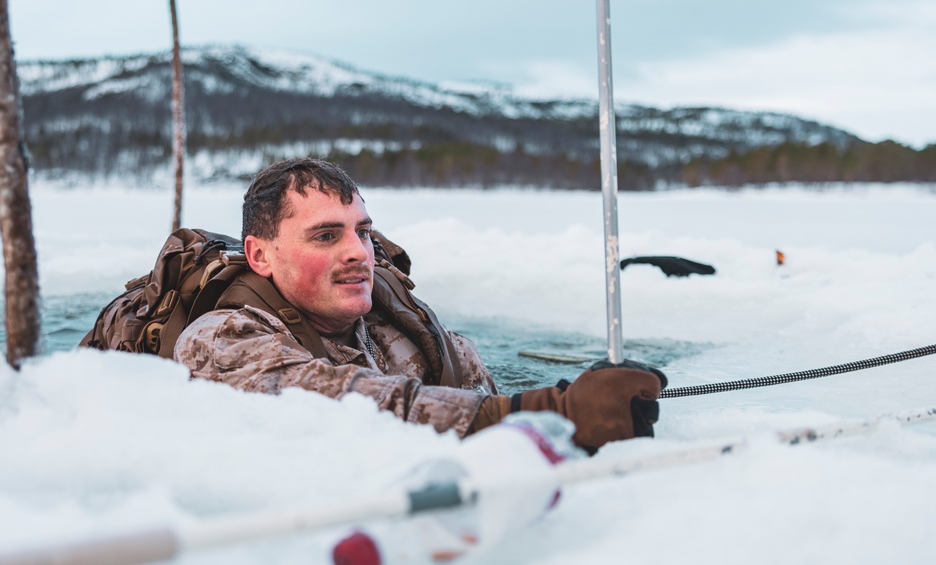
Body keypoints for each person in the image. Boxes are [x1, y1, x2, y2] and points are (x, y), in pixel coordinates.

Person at [175, 158, 666, 450]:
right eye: (326, 235)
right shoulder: (220, 340)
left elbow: (488, 409)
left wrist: (586, 407)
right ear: (260, 254)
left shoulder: (410, 340)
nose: (357, 252)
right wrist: (549, 411)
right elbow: (327, 405)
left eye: (362, 232)